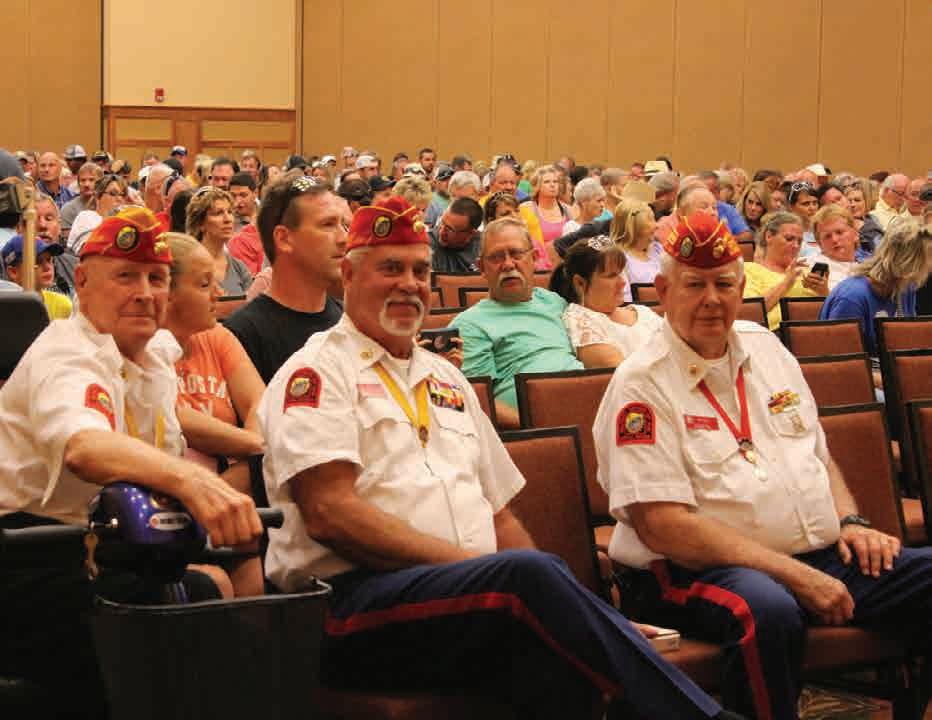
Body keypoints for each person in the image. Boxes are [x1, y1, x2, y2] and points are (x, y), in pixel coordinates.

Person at [258, 195, 738, 720]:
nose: (410, 284)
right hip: (353, 605)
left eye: (420, 271)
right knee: (530, 588)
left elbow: (500, 516)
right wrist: (481, 570)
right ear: (349, 275)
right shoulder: (316, 373)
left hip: (465, 600)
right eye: (390, 268)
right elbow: (329, 513)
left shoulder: (447, 378)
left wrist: (579, 608)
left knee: (560, 654)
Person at [593, 210, 932, 720]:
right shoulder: (640, 385)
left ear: (740, 288)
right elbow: (662, 525)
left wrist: (850, 520)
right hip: (687, 571)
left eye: (724, 284)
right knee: (765, 611)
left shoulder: (765, 347)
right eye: (695, 284)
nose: (712, 299)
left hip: (815, 554)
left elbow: (816, 452)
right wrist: (796, 576)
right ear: (663, 291)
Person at [0, 206, 261, 720]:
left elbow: (174, 405)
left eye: (156, 279)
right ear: (82, 282)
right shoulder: (68, 353)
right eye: (125, 276)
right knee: (173, 626)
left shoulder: (155, 352)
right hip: (29, 556)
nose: (144, 292)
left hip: (109, 549)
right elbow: (85, 445)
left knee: (213, 602)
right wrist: (191, 480)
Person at [162, 232, 266, 595]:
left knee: (251, 552)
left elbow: (259, 405)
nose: (219, 294)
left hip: (226, 499)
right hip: (169, 505)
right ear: (167, 293)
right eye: (204, 284)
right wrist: (253, 446)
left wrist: (251, 455)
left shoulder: (217, 337)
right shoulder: (142, 346)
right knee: (216, 581)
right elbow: (175, 419)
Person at [452, 217, 583, 428]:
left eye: (516, 254)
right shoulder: (469, 324)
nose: (508, 264)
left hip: (587, 408)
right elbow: (478, 400)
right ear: (481, 267)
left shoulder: (555, 302)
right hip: (535, 432)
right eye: (496, 257)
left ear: (534, 258)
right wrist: (547, 428)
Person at [225, 175, 344, 384]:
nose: (344, 238)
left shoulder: (346, 321)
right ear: (284, 239)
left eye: (342, 225)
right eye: (328, 225)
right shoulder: (242, 335)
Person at [820, 219, 932, 357]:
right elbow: (842, 363)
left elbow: (911, 345)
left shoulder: (905, 288)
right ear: (908, 264)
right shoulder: (851, 298)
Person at [551, 236, 663, 368]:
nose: (623, 282)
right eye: (611, 276)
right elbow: (623, 375)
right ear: (580, 283)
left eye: (620, 273)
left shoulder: (642, 311)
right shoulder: (581, 320)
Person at [743, 211, 827, 330]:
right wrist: (787, 282)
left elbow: (832, 315)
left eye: (799, 241)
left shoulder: (807, 272)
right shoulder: (749, 270)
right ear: (769, 236)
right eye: (789, 239)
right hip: (772, 333)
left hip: (813, 332)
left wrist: (823, 292)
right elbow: (752, 314)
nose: (796, 246)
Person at [185, 186, 253, 295]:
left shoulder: (239, 267)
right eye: (218, 213)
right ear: (200, 223)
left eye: (230, 212)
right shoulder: (187, 265)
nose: (228, 219)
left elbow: (251, 302)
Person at [1, 234, 73, 319]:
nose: (47, 267)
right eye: (37, 262)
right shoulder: (4, 309)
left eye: (49, 260)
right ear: (13, 272)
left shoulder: (63, 305)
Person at [805, 205, 868, 290]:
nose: (834, 239)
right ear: (820, 244)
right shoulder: (810, 268)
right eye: (827, 236)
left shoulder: (867, 264)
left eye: (839, 232)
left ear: (855, 233)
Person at [610, 198, 661, 302]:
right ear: (634, 227)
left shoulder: (658, 249)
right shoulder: (619, 259)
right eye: (650, 220)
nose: (657, 226)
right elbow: (625, 302)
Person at [66, 173, 130, 253]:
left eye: (123, 195)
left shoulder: (127, 221)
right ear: (98, 197)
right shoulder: (86, 217)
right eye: (113, 193)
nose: (119, 199)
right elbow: (85, 250)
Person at [521, 164, 571, 252]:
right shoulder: (526, 209)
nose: (552, 185)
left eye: (555, 182)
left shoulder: (568, 210)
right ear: (537, 186)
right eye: (547, 182)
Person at [429, 197, 483, 273]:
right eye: (442, 222)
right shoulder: (426, 243)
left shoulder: (484, 247)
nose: (442, 232)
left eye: (450, 229)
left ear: (471, 233)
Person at [59, 162, 103, 235]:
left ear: (101, 183)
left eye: (91, 180)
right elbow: (69, 240)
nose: (86, 184)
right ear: (78, 183)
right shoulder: (68, 209)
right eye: (83, 180)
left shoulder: (108, 206)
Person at [787, 181, 820, 257]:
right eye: (806, 204)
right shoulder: (787, 235)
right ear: (791, 207)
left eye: (815, 203)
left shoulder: (825, 231)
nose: (812, 208)